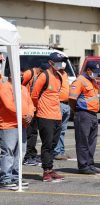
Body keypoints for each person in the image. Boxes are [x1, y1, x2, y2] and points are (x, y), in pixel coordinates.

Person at [31, 53, 65, 182]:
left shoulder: (59, 77)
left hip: (57, 116)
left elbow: (56, 96)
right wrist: (36, 109)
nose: (61, 64)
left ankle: (50, 169)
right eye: (58, 61)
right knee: (47, 144)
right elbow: (34, 95)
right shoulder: (44, 76)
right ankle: (46, 171)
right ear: (51, 63)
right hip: (45, 116)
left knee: (53, 145)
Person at [0, 69, 35, 189]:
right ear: (10, 75)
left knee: (20, 152)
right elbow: (9, 105)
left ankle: (16, 177)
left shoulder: (23, 88)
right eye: (18, 75)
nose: (21, 77)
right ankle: (5, 178)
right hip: (9, 125)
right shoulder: (5, 87)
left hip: (22, 125)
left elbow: (30, 104)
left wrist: (30, 114)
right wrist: (23, 116)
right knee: (8, 152)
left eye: (22, 75)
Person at [69, 61, 100, 174]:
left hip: (93, 114)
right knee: (83, 141)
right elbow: (72, 99)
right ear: (88, 70)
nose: (96, 74)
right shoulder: (79, 81)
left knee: (92, 141)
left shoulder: (92, 81)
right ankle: (83, 166)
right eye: (95, 72)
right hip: (83, 113)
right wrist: (76, 110)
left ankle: (90, 164)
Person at [22, 64, 45, 166]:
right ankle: (27, 157)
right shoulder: (29, 73)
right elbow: (19, 88)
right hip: (27, 107)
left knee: (33, 133)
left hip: (33, 108)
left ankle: (31, 155)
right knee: (30, 133)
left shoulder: (39, 75)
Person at [53, 62, 71, 160]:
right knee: (57, 129)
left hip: (66, 104)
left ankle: (61, 151)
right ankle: (56, 151)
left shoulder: (65, 74)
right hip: (58, 103)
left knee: (63, 130)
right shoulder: (55, 74)